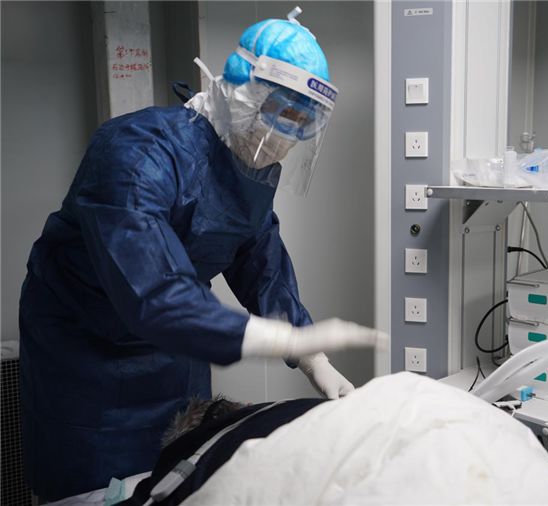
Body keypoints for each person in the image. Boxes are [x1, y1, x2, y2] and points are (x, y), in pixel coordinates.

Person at [19, 8, 386, 501]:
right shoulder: (136, 152)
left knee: (179, 477)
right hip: (88, 359)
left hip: (174, 353)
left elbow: (261, 262)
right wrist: (276, 338)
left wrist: (310, 355)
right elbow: (151, 290)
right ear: (241, 91)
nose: (284, 136)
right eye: (280, 112)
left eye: (300, 122)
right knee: (92, 493)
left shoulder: (246, 170)